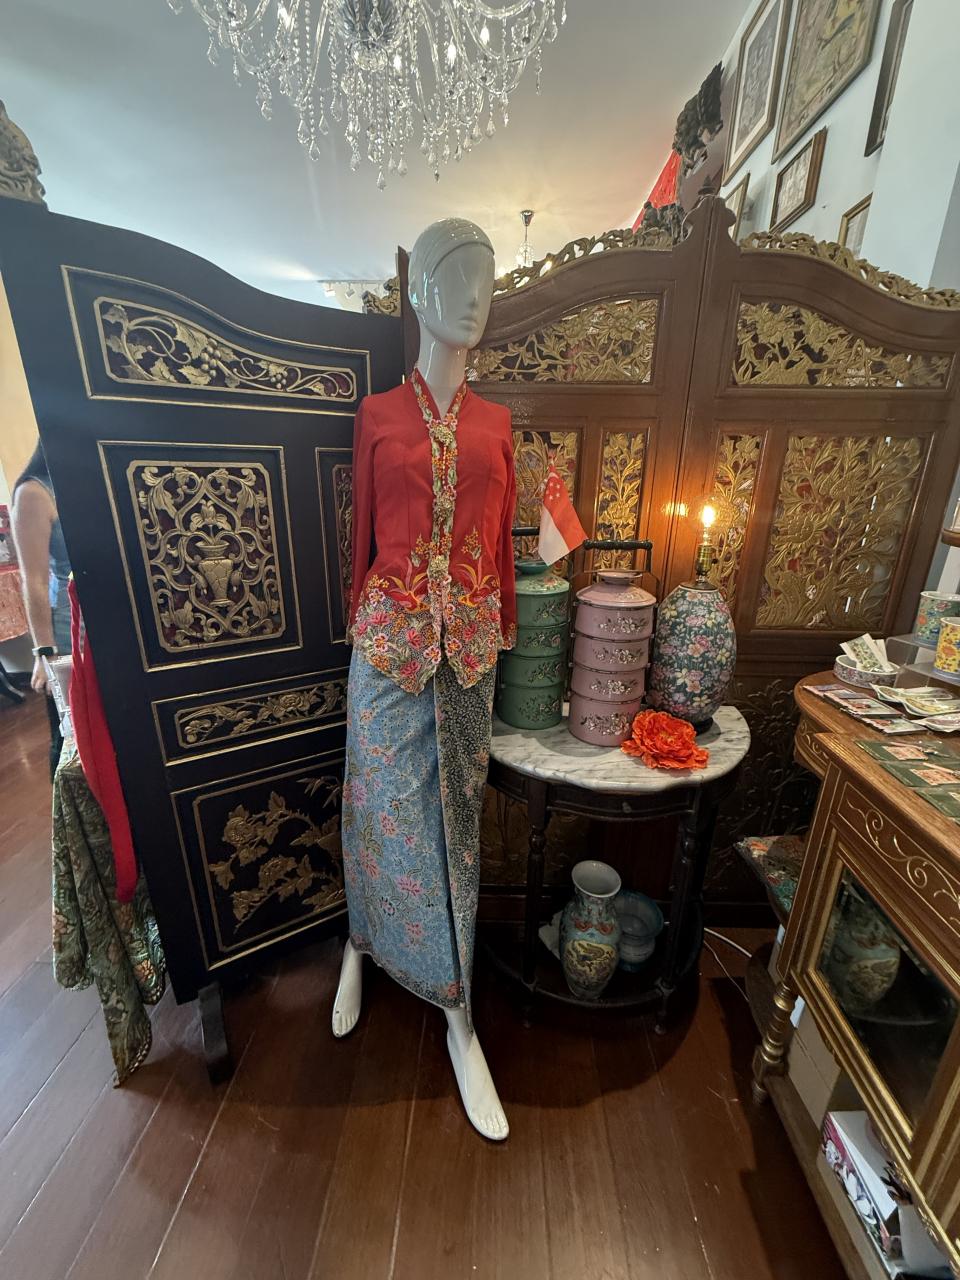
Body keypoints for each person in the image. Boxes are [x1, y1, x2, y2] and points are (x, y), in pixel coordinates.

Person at [11, 440, 72, 776]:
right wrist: (44, 652)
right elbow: (33, 580)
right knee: (69, 738)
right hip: (66, 632)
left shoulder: (93, 479)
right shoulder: (35, 492)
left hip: (111, 626)